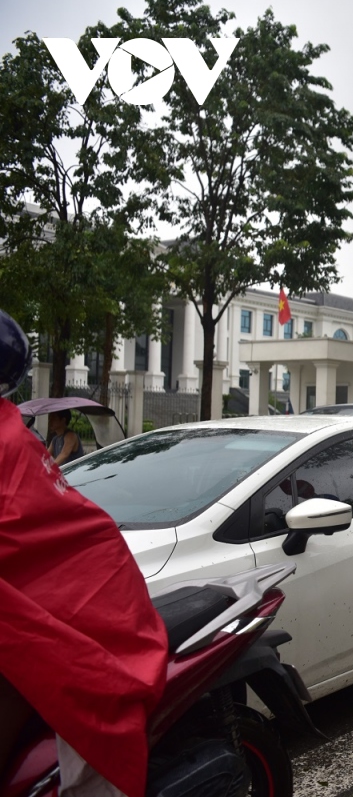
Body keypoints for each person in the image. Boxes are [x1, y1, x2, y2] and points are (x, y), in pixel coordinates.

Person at [0, 309, 168, 796]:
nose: (54, 421)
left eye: (57, 418)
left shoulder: (26, 441)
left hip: (83, 607)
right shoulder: (21, 435)